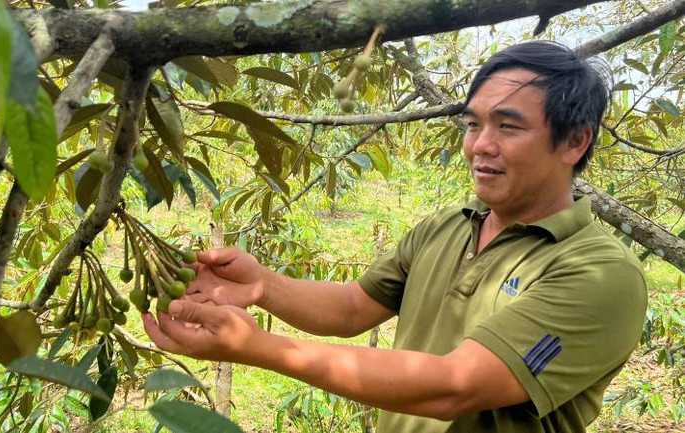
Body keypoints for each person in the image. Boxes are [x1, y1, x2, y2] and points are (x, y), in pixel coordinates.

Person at [142, 41, 647, 433]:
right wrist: (261, 285)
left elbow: (453, 388)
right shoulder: (448, 225)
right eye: (473, 124)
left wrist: (258, 348)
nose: (480, 145)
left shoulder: (600, 274)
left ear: (574, 140)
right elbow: (352, 308)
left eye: (508, 127)